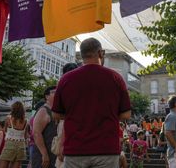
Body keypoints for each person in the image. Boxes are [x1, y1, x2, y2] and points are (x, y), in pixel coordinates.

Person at [52, 38, 131, 168]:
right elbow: (126, 114)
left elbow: (56, 114)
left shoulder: (66, 79)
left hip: (75, 150)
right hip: (106, 150)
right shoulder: (116, 78)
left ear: (82, 55)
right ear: (100, 53)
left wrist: (76, 114)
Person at [32, 86, 57, 168]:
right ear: (47, 96)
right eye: (54, 92)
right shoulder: (43, 110)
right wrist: (44, 154)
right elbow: (36, 133)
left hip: (53, 154)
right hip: (43, 155)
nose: (57, 94)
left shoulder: (55, 111)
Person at [0, 101, 28, 168]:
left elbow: (5, 130)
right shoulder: (26, 120)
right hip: (21, 145)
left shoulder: (9, 118)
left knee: (2, 165)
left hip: (10, 144)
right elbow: (25, 135)